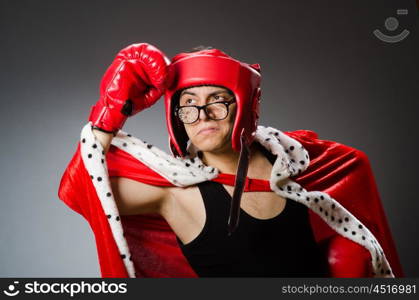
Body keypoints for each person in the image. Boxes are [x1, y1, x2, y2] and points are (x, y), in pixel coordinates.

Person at [58, 43, 403, 278]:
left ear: (245, 106)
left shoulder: (295, 162)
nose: (203, 114)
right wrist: (109, 113)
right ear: (177, 117)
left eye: (218, 100)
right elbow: (79, 192)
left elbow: (354, 171)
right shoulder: (177, 193)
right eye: (188, 103)